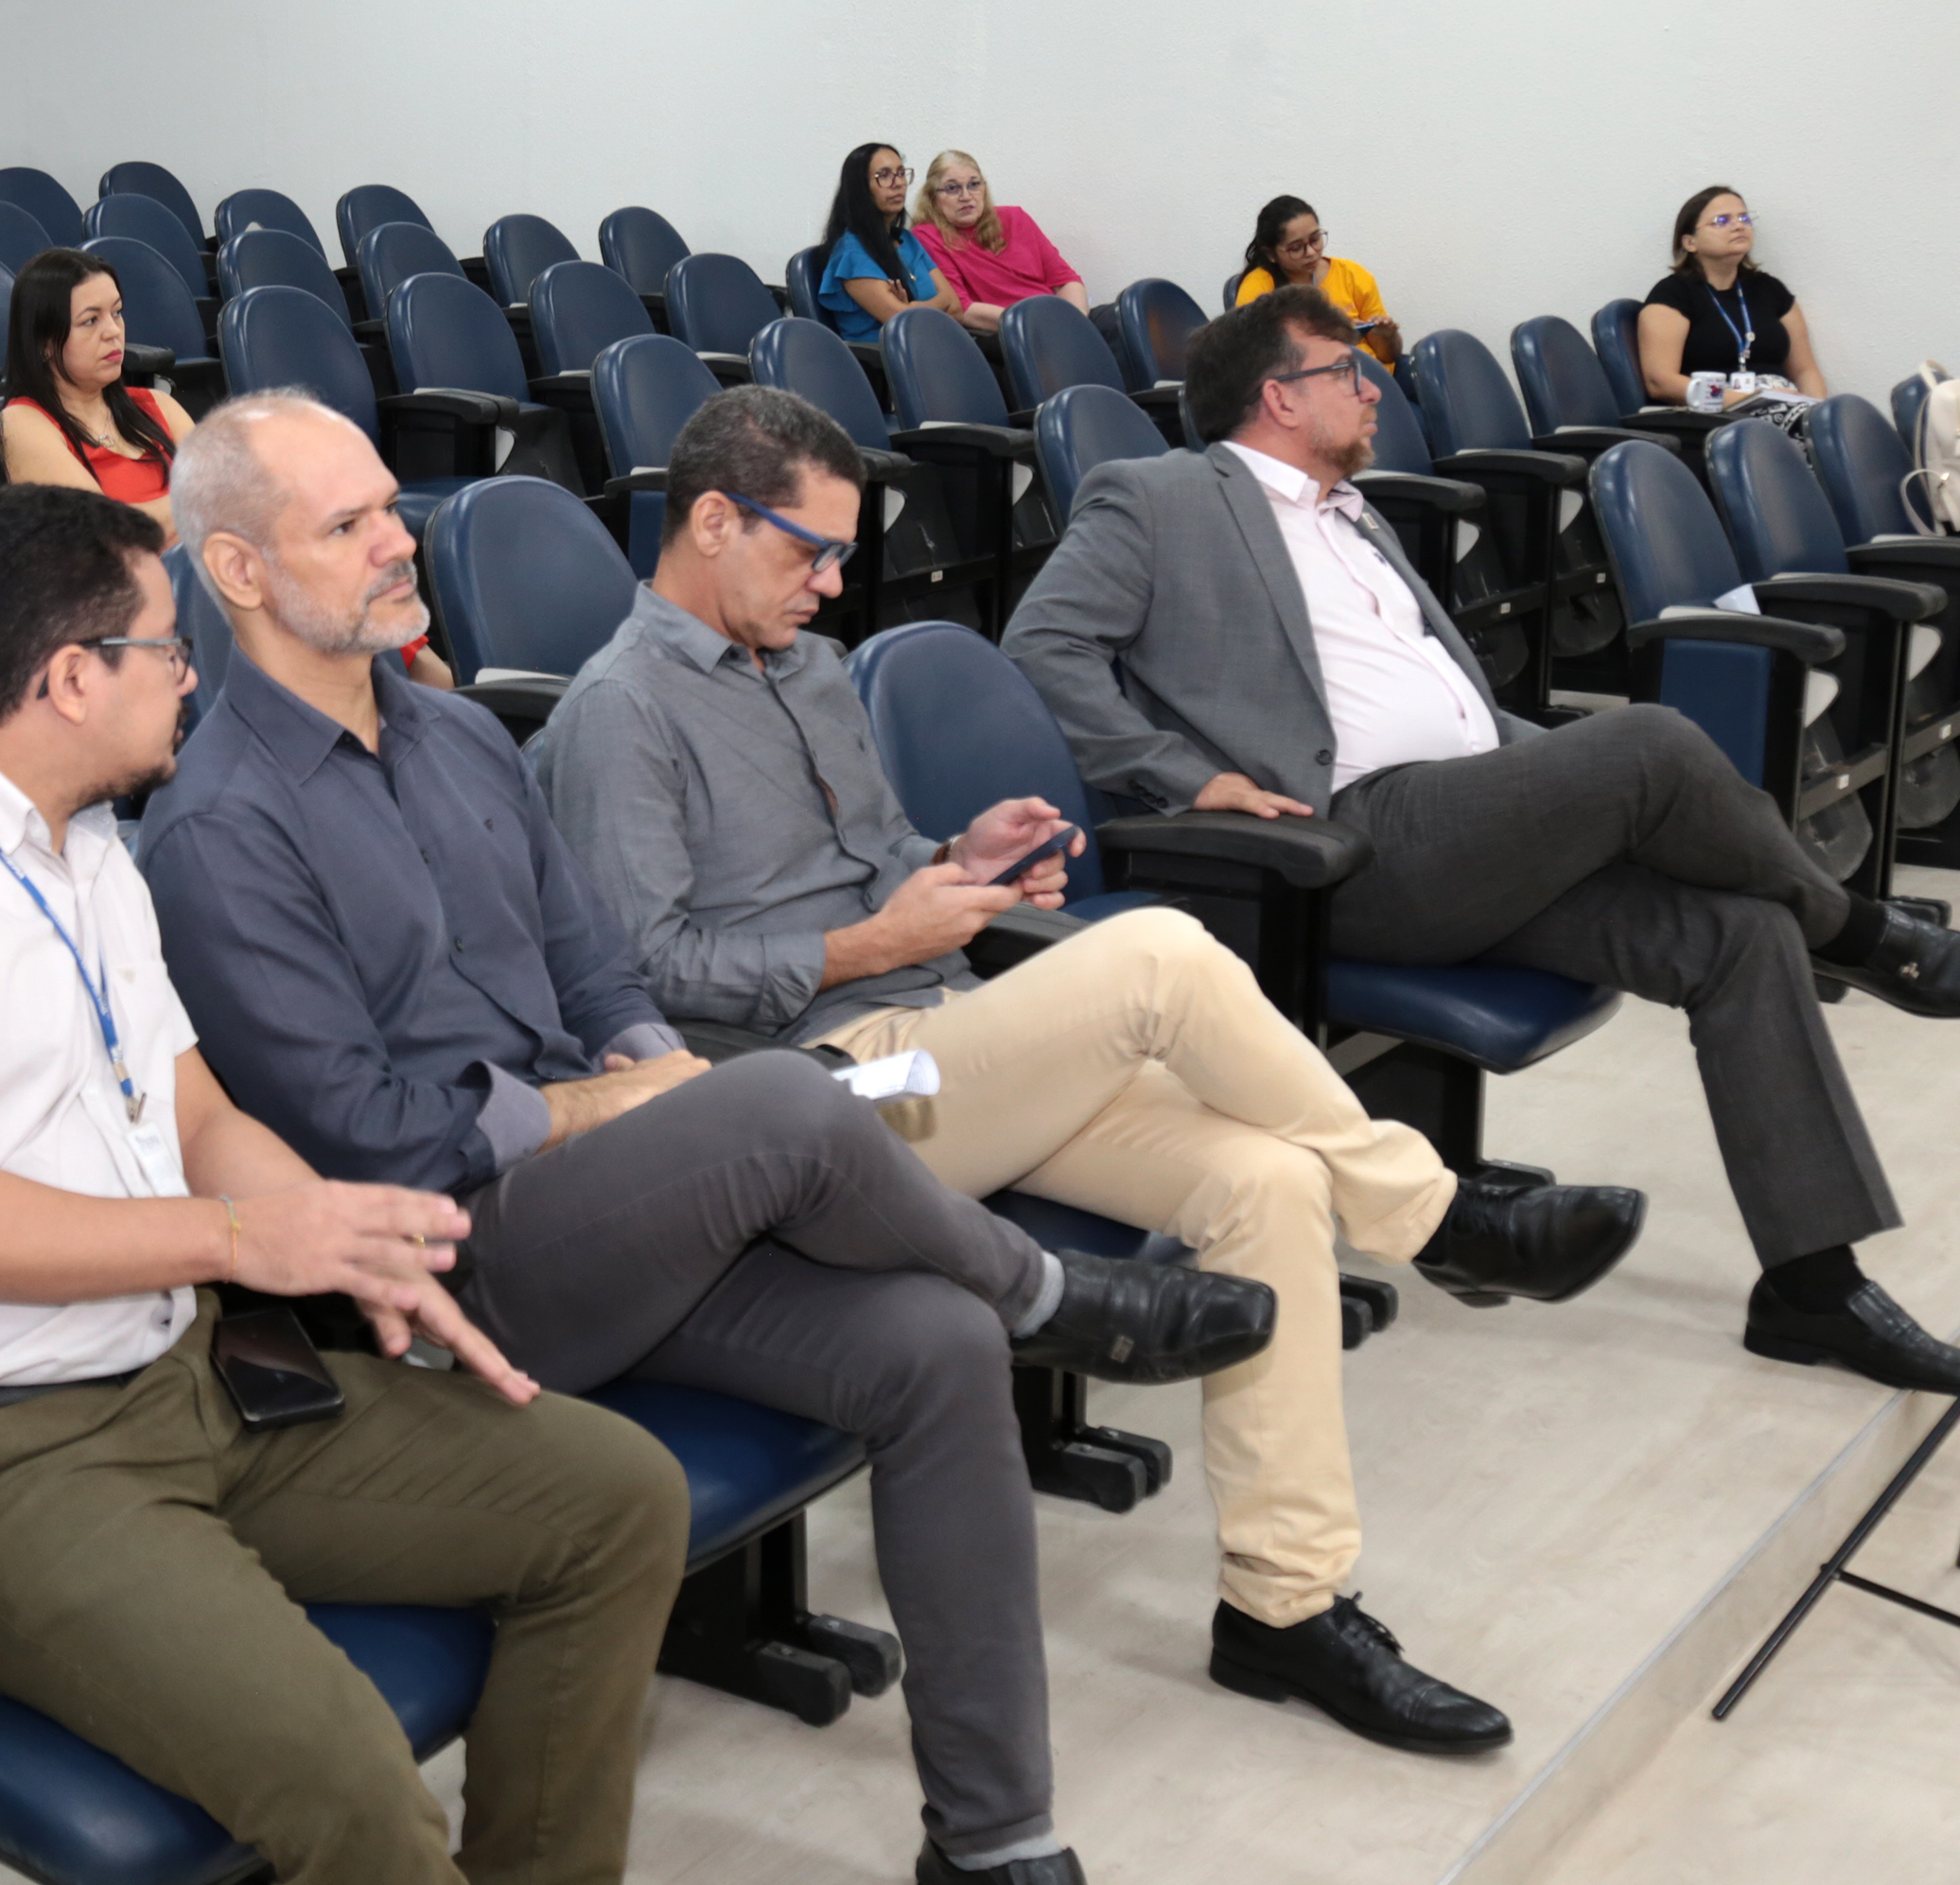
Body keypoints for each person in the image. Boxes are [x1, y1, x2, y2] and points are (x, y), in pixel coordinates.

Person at [138, 393, 1280, 1885]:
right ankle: (1049, 1298)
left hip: (620, 1208)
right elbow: (370, 1138)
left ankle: (995, 1839)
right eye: (344, 524)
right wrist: (621, 1104)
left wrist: (644, 1066)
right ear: (235, 571)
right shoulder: (216, 824)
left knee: (932, 1344)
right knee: (785, 1094)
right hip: (456, 1264)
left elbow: (595, 968)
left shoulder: (459, 735)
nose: (394, 540)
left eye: (386, 509)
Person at [541, 386, 1651, 1754]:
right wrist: (872, 943)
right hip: (811, 1102)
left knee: (1266, 1182)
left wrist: (960, 862)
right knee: (1156, 952)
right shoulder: (619, 712)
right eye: (806, 552)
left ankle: (1282, 1606)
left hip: (936, 1042)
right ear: (711, 522)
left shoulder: (812, 670)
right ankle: (1438, 1218)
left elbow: (878, 863)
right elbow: (639, 973)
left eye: (839, 557)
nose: (829, 585)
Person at [0, 480, 690, 1885]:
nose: (194, 677)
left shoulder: (89, 855)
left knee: (616, 1498)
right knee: (352, 1782)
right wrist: (244, 1235)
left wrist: (351, 1236)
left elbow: (193, 1111)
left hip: (180, 1377)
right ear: (72, 678)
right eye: (169, 650)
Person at [1005, 284, 1960, 1401]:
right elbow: (1043, 645)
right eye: (1346, 371)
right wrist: (1187, 777)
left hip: (1471, 834)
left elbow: (1461, 703)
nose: (1373, 388)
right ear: (1278, 396)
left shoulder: (1354, 514)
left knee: (1740, 933)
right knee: (1647, 740)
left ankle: (1811, 1287)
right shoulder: (1160, 494)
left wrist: (1563, 794)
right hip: (1354, 845)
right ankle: (1863, 935)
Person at [0, 247, 198, 534]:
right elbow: (105, 534)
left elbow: (232, 490)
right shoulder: (21, 424)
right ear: (43, 344)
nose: (113, 331)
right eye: (90, 320)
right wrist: (199, 501)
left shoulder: (158, 405)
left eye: (117, 313)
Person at [1637, 186, 1826, 401]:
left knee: (1845, 408)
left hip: (1785, 405)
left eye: (1744, 218)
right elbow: (1660, 382)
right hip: (1716, 410)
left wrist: (1816, 409)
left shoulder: (1771, 289)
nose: (1738, 226)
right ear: (1690, 242)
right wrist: (1754, 401)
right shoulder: (1672, 294)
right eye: (1722, 221)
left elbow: (1805, 371)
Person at [911, 152, 1086, 340]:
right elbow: (961, 308)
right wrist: (1032, 324)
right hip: (1009, 331)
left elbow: (1065, 280)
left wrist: (1076, 322)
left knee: (1109, 318)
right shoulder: (927, 236)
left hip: (1055, 319)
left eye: (974, 184)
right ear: (932, 197)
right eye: (952, 188)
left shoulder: (1015, 218)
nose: (966, 196)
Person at [816, 142, 964, 343]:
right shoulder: (851, 252)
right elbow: (902, 324)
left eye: (901, 173)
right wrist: (937, 303)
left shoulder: (907, 240)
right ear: (860, 188)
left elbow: (955, 308)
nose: (899, 183)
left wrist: (912, 308)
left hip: (932, 345)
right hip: (884, 358)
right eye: (884, 176)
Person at [1228, 198, 1399, 366]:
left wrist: (1388, 336)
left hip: (1371, 374)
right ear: (1271, 254)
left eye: (1315, 239)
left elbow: (1388, 357)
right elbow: (1253, 359)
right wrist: (1329, 335)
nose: (1311, 252)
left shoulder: (1353, 274)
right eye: (1296, 248)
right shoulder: (1259, 286)